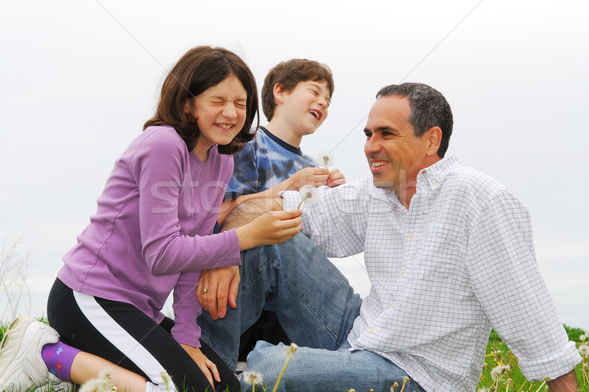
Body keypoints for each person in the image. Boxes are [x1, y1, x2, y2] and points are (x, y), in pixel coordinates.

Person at [223, 82, 581, 391]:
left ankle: (241, 369)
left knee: (267, 372)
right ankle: (199, 363)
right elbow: (286, 222)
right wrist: (223, 250)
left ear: (431, 139)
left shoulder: (479, 199)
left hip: (418, 376)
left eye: (386, 134)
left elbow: (526, 309)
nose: (370, 146)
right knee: (268, 236)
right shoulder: (375, 194)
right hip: (359, 334)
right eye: (368, 134)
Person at [0, 46, 303, 392]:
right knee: (178, 388)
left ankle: (91, 378)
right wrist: (246, 237)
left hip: (140, 311)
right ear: (187, 103)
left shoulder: (220, 162)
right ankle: (50, 356)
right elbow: (162, 253)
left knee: (224, 387)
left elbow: (191, 260)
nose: (230, 112)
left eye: (240, 103)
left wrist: (187, 338)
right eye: (217, 100)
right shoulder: (163, 145)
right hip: (91, 297)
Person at [196, 58, 349, 367]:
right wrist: (289, 188)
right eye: (314, 91)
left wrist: (340, 200)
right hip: (243, 297)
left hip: (290, 306)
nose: (323, 102)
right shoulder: (247, 145)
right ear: (280, 92)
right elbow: (222, 217)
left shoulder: (312, 166)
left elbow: (311, 242)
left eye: (328, 101)